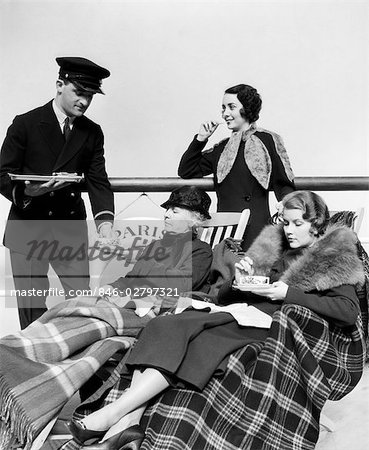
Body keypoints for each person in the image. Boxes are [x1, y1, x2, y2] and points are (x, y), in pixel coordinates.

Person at [68, 191, 364, 450]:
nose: (289, 230)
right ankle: (128, 421)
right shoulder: (272, 249)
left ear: (317, 226)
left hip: (273, 328)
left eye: (298, 224)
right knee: (166, 324)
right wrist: (238, 281)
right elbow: (223, 297)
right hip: (241, 313)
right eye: (286, 222)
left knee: (201, 340)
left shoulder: (331, 258)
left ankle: (111, 418)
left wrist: (288, 293)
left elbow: (348, 310)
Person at [0, 186, 213, 450]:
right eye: (167, 209)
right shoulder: (156, 245)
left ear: (196, 219)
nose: (167, 215)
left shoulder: (200, 251)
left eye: (175, 210)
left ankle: (22, 352)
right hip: (126, 303)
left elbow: (179, 286)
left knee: (89, 316)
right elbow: (131, 276)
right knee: (73, 306)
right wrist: (112, 287)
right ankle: (24, 347)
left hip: (151, 312)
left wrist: (134, 291)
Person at [0, 57, 115, 329]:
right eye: (79, 93)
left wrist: (106, 226)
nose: (84, 102)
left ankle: (77, 364)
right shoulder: (25, 124)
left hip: (68, 228)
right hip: (27, 228)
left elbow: (98, 180)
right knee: (31, 307)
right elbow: (2, 174)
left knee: (81, 305)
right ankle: (32, 364)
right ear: (59, 85)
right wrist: (28, 192)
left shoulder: (92, 132)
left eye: (90, 96)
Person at [178, 83, 295, 250]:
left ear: (246, 108)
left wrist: (288, 208)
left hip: (257, 228)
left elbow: (284, 183)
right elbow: (186, 170)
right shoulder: (221, 148)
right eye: (223, 108)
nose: (225, 113)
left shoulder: (268, 140)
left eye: (231, 107)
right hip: (224, 230)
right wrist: (201, 139)